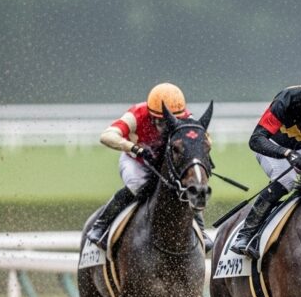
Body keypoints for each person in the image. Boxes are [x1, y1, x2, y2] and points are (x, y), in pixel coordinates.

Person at [228, 58, 301, 259]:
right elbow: (256, 139)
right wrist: (286, 153)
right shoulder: (287, 99)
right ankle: (247, 233)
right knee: (288, 179)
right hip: (273, 148)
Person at [87, 82, 213, 252]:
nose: (166, 127)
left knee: (190, 186)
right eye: (161, 122)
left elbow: (203, 140)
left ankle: (201, 230)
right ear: (151, 115)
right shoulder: (137, 114)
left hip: (162, 163)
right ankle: (101, 225)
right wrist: (134, 148)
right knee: (137, 185)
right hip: (136, 161)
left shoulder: (185, 119)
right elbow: (107, 136)